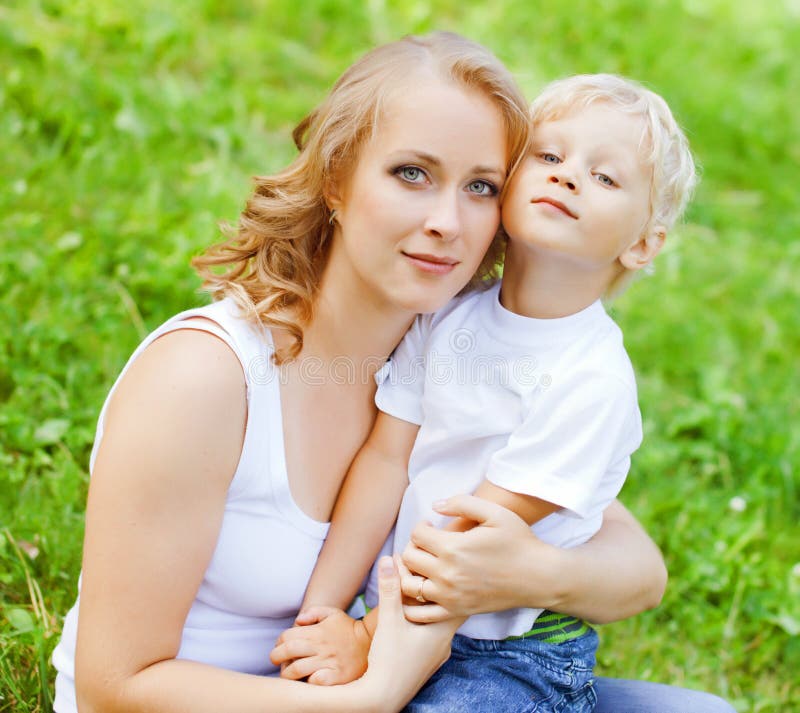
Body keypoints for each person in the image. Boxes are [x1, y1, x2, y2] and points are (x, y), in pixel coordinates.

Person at [49, 31, 733, 713]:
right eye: (412, 173)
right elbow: (115, 688)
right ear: (337, 179)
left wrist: (532, 571)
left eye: (480, 186)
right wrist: (369, 694)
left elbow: (638, 568)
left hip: (422, 667)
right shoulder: (204, 378)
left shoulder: (454, 348)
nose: (446, 221)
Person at [269, 74, 709, 712]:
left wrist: (366, 638)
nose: (568, 177)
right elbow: (384, 462)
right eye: (550, 156)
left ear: (643, 244)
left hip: (512, 650)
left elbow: (473, 537)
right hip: (401, 607)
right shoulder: (448, 315)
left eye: (606, 178)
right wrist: (323, 612)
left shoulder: (591, 379)